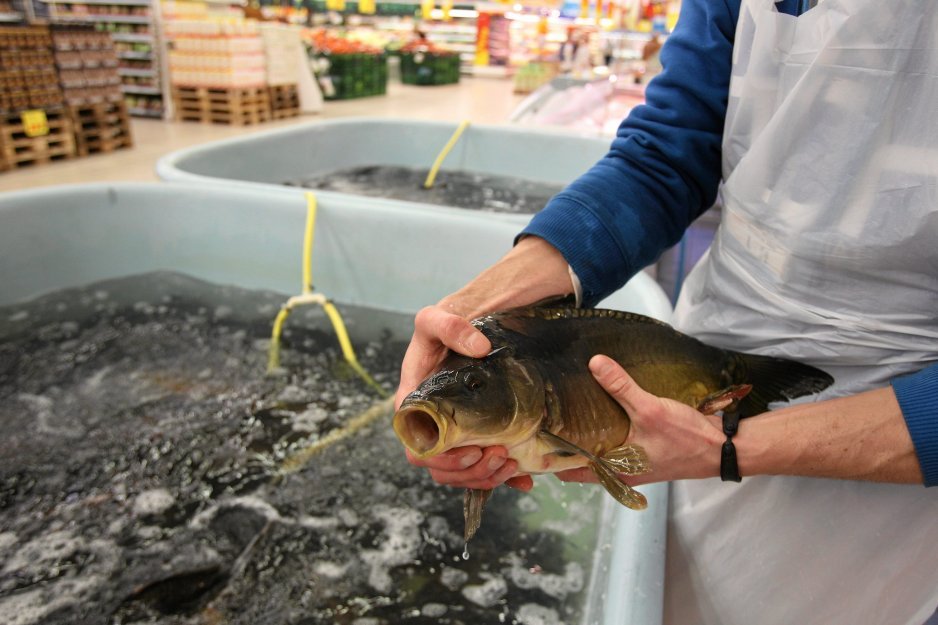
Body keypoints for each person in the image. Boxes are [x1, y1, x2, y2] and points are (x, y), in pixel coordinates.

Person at [395, 1, 938, 624]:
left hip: (907, 442)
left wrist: (729, 448)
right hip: (715, 356)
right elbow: (668, 152)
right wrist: (468, 312)